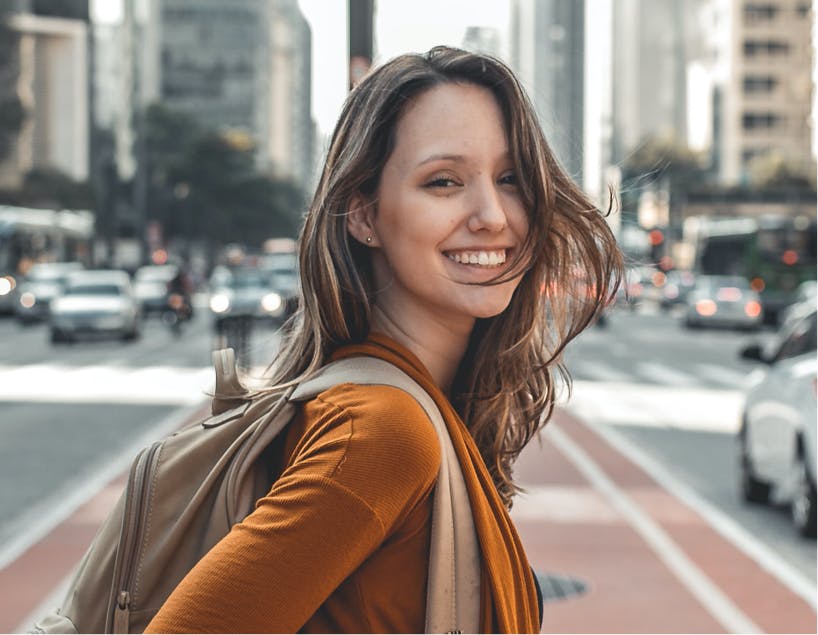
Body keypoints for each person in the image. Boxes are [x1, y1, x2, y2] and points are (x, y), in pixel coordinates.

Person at [146, 46, 622, 633]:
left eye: (511, 179)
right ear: (364, 215)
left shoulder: (408, 407)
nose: (493, 215)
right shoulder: (382, 433)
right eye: (443, 182)